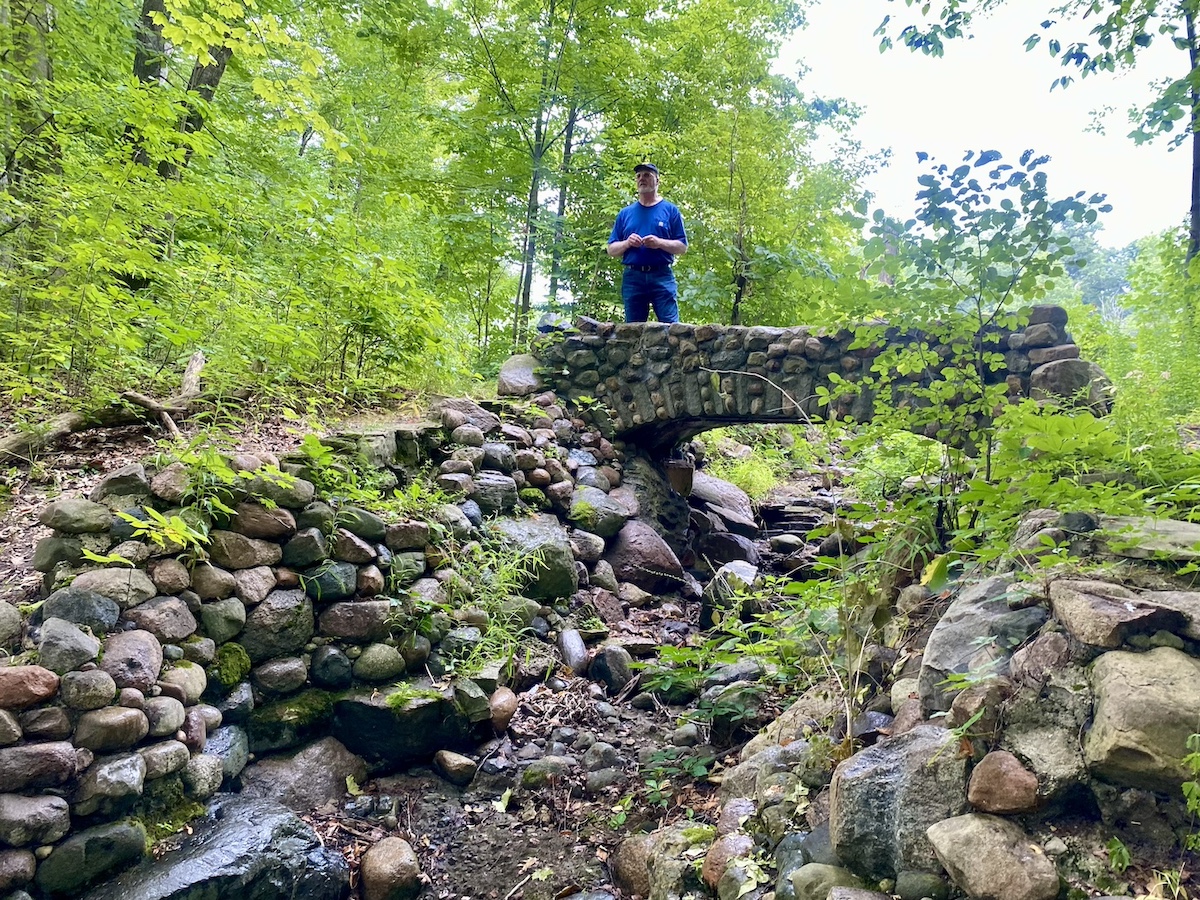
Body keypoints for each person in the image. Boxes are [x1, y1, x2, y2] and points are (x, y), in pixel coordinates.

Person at [607, 162, 688, 323]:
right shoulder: (625, 214)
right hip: (633, 277)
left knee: (672, 328)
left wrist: (659, 243)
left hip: (661, 275)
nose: (641, 179)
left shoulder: (670, 211)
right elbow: (611, 249)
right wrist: (627, 243)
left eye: (646, 175)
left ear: (657, 181)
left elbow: (682, 246)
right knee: (632, 330)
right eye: (638, 176)